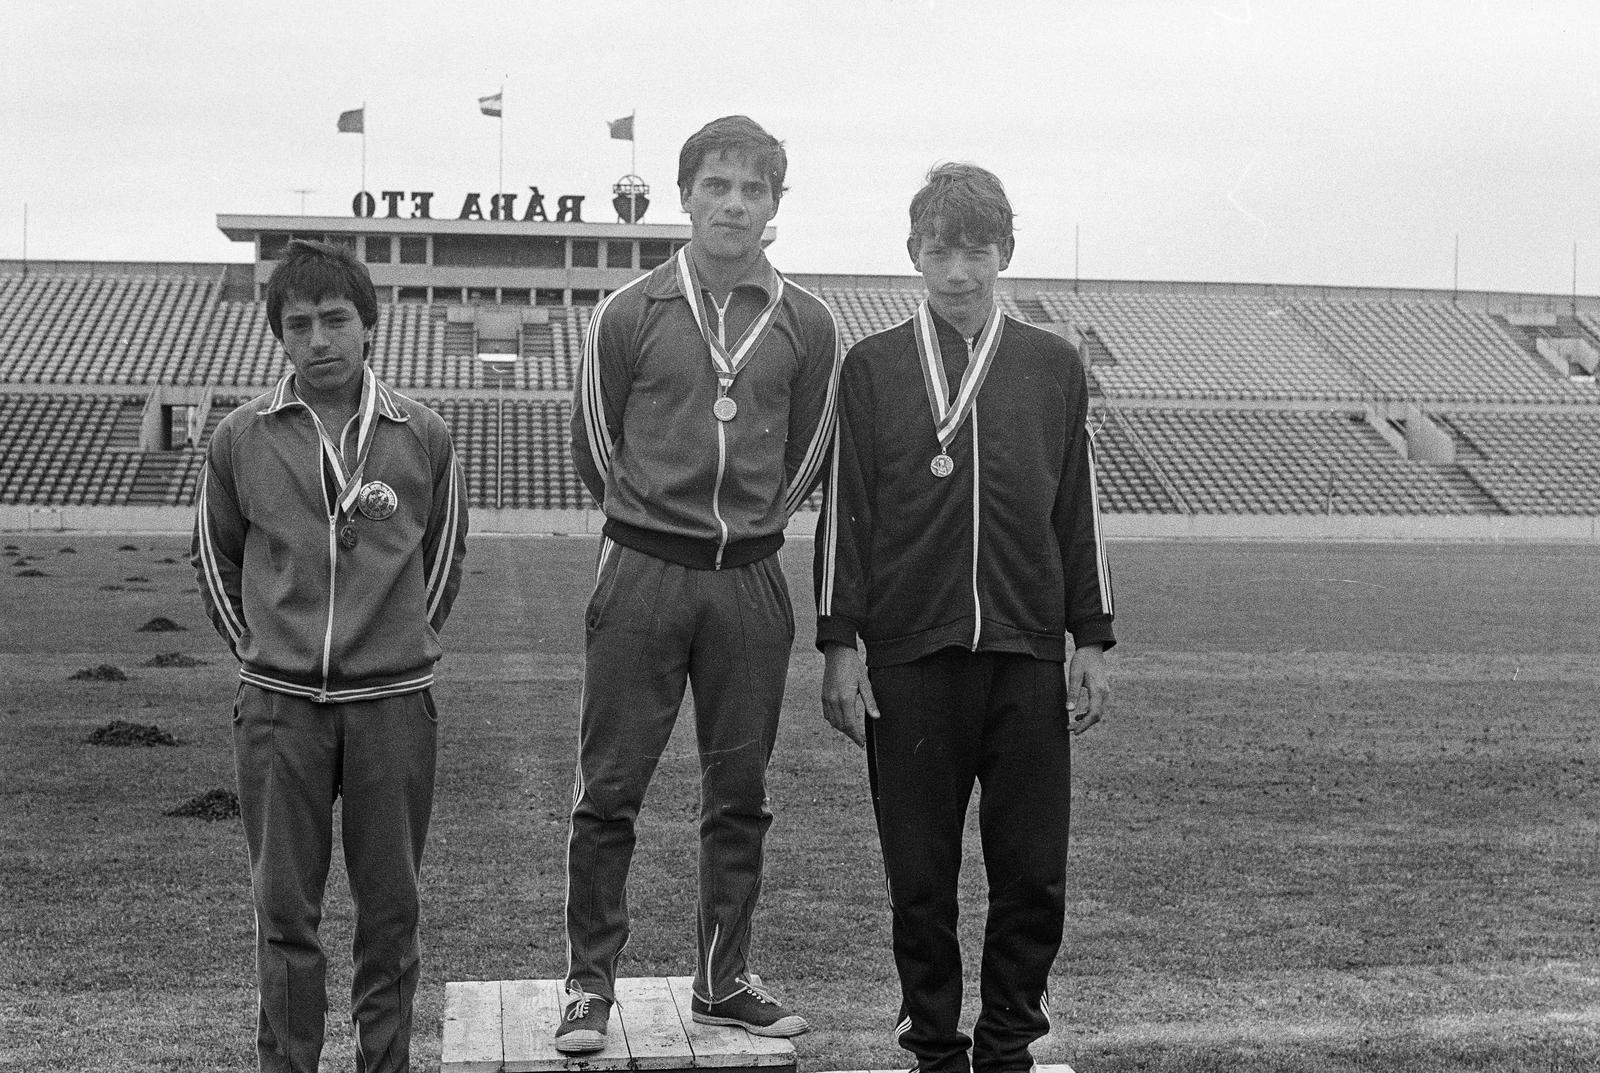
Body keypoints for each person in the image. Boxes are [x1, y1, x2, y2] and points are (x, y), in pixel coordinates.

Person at [813, 164, 1114, 1073]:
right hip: (909, 658)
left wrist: (1091, 637)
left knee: (1032, 873)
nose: (957, 270)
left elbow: (1080, 509)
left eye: (975, 249)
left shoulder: (1052, 365)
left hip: (1024, 653)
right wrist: (839, 642)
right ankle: (935, 1046)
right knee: (920, 877)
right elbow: (845, 510)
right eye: (939, 249)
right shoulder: (868, 368)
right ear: (913, 255)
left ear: (1004, 253)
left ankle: (1010, 1040)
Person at [561, 114, 841, 1052]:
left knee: (739, 793)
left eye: (753, 189)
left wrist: (749, 534)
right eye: (717, 185)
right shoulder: (629, 311)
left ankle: (722, 978)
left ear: (775, 207)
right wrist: (655, 527)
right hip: (642, 573)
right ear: (684, 195)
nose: (733, 203)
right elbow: (597, 451)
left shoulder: (808, 322)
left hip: (749, 585)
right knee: (610, 791)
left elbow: (807, 456)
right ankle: (588, 986)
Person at [192, 239, 469, 1073]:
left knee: (391, 913)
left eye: (335, 320)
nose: (319, 339)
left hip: (392, 706)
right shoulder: (241, 437)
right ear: (279, 334)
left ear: (370, 326)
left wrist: (397, 647)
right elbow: (218, 561)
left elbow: (443, 561)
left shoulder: (422, 433)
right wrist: (268, 654)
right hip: (280, 710)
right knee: (285, 912)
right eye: (299, 324)